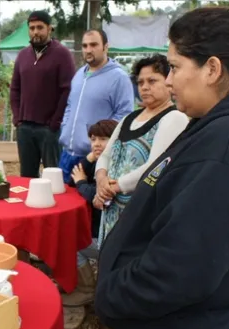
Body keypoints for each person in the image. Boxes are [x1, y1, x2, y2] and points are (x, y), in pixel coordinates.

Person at [95, 7, 229, 329]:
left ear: (212, 69)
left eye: (174, 66)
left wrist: (112, 294)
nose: (168, 81)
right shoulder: (214, 126)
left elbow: (183, 266)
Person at [63, 54, 189, 312]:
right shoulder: (130, 118)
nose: (144, 87)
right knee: (113, 265)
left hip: (139, 212)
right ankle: (116, 324)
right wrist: (100, 179)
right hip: (112, 209)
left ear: (169, 82)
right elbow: (106, 154)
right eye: (140, 81)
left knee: (133, 269)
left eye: (152, 80)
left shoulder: (173, 118)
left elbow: (156, 166)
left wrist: (115, 185)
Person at [58, 29, 134, 184]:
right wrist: (65, 129)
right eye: (85, 46)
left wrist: (100, 144)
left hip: (93, 159)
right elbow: (70, 106)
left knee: (86, 205)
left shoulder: (119, 77)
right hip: (66, 155)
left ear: (106, 47)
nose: (88, 50)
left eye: (93, 45)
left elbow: (124, 116)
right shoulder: (79, 74)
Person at [10, 10, 75, 177]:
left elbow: (66, 90)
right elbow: (15, 89)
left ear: (49, 28)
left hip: (49, 130)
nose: (35, 32)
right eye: (32, 28)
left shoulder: (62, 54)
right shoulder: (23, 55)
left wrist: (55, 122)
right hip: (24, 128)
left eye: (40, 27)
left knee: (53, 176)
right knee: (27, 176)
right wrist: (17, 119)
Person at [68, 119, 118, 305]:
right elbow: (73, 180)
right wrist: (89, 159)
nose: (97, 143)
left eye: (103, 139)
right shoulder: (101, 162)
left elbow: (101, 197)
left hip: (110, 239)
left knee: (70, 243)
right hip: (100, 231)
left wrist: (82, 182)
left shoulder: (117, 166)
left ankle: (87, 290)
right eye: (93, 139)